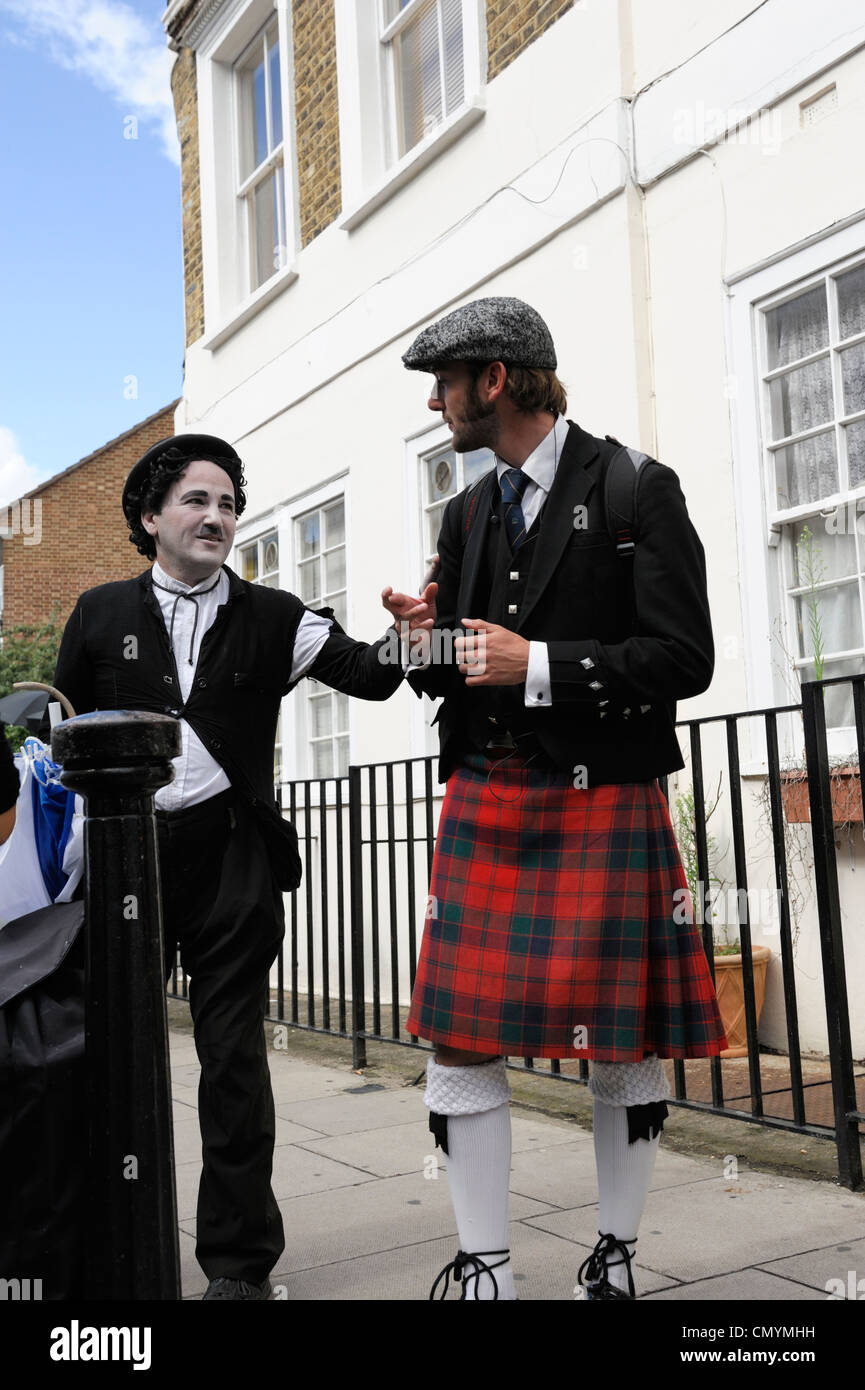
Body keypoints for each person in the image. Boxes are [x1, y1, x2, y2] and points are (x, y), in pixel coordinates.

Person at [52, 434, 432, 1300]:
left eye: (227, 502)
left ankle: (238, 1267)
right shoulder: (99, 612)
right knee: (112, 1057)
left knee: (232, 1063)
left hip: (233, 856)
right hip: (126, 861)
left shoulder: (276, 615)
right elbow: (60, 727)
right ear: (150, 517)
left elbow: (369, 676)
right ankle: (111, 1241)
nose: (216, 516)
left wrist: (410, 641)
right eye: (196, 500)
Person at [400, 297, 727, 1300]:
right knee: (458, 1033)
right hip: (488, 796)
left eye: (446, 379)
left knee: (618, 1035)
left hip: (603, 796)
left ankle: (617, 1255)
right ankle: (485, 1263)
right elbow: (459, 669)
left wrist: (536, 662)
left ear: (496, 380)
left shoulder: (632, 487)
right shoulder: (464, 511)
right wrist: (423, 645)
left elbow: (684, 657)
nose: (435, 398)